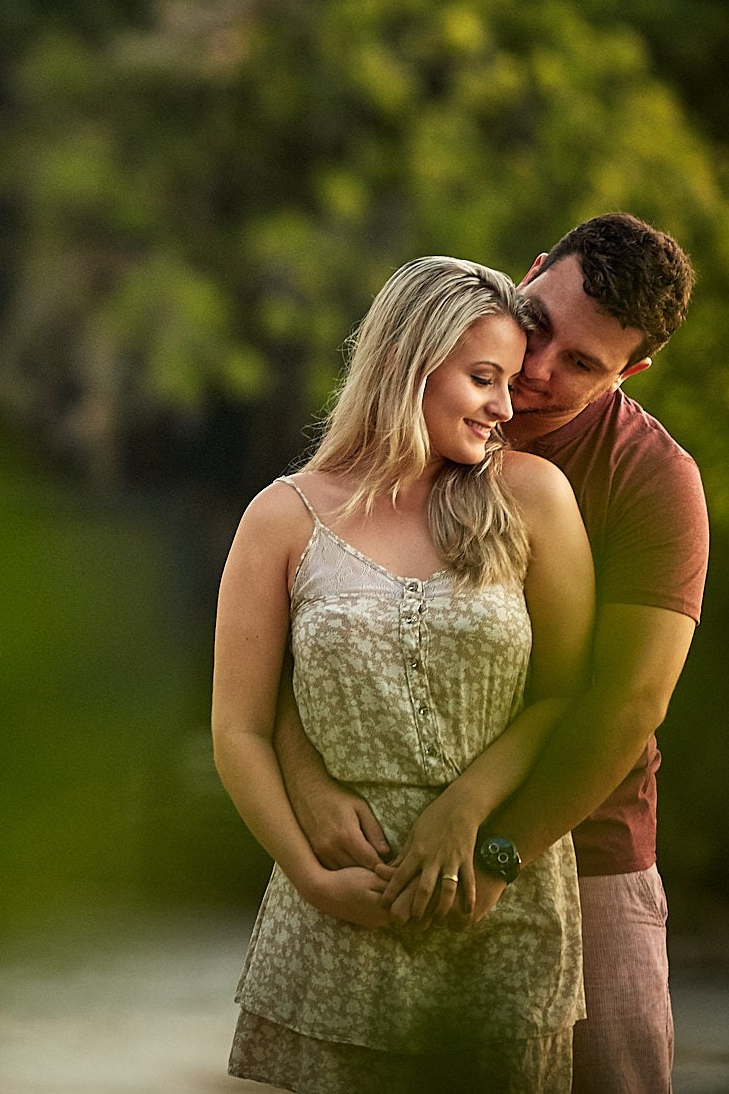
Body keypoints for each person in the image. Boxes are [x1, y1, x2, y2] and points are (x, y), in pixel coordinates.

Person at [275, 214, 706, 1093]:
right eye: (540, 325)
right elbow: (303, 639)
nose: (539, 374)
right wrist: (310, 787)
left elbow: (626, 703)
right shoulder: (414, 425)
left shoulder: (652, 482)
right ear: (533, 270)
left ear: (633, 371)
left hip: (583, 849)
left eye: (584, 363)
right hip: (384, 853)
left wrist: (499, 851)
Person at [212, 255, 596, 1093]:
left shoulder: (535, 498)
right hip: (338, 907)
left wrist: (471, 815)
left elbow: (567, 697)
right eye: (484, 378)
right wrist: (314, 878)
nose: (506, 407)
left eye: (507, 381)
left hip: (496, 900)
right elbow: (238, 728)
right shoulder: (282, 517)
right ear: (407, 363)